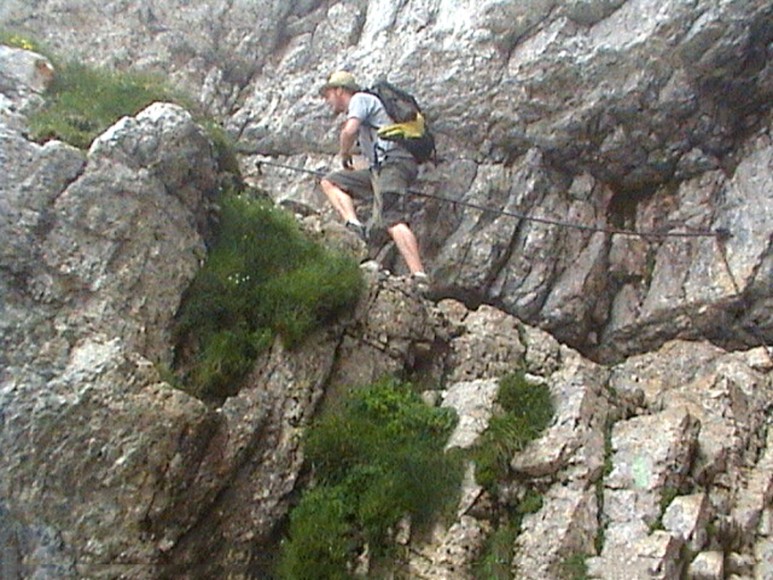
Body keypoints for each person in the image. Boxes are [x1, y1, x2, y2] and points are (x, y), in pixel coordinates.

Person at [318, 70, 429, 284]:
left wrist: (344, 154)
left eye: (328, 94)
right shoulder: (366, 108)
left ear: (340, 90)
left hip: (393, 163)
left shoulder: (359, 99)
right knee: (331, 181)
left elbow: (348, 131)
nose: (327, 100)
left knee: (392, 217)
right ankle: (354, 225)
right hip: (380, 168)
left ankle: (419, 275)